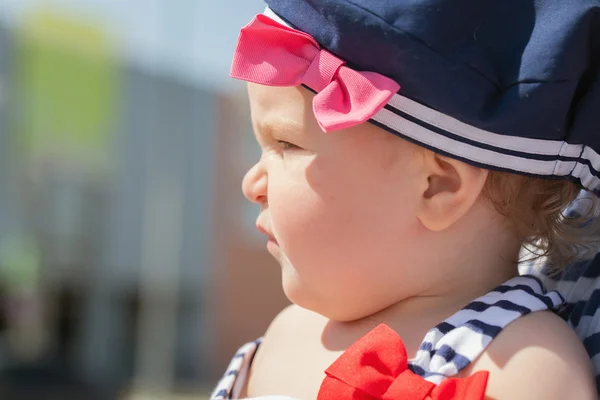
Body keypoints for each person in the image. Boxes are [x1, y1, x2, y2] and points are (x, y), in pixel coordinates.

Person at [212, 1, 600, 399]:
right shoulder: (283, 337)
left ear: (436, 186)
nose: (252, 183)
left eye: (286, 144)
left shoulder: (522, 364)